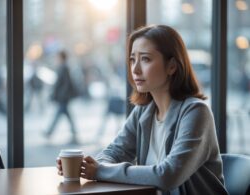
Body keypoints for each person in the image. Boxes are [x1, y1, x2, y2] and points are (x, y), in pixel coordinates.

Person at [56, 25, 228, 194]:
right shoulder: (144, 111)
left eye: (145, 59)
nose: (135, 69)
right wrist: (88, 166)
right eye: (132, 60)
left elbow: (168, 175)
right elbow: (112, 153)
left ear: (172, 66)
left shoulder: (196, 113)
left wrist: (100, 171)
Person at [44, 50, 79, 144]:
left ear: (61, 58)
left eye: (57, 57)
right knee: (65, 115)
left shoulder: (64, 68)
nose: (56, 59)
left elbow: (64, 84)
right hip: (63, 97)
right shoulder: (63, 67)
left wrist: (59, 95)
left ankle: (49, 132)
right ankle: (73, 133)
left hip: (63, 97)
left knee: (60, 114)